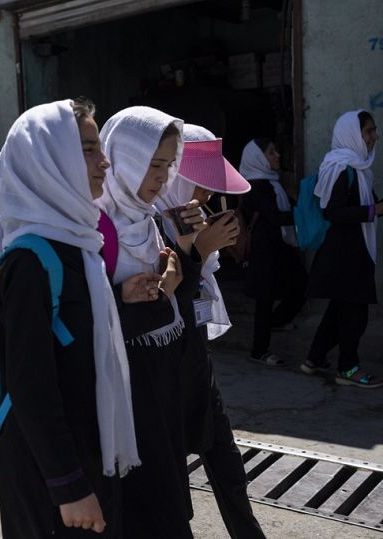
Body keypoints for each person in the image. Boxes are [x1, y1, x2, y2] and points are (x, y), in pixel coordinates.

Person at [0, 99, 141, 537]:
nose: (104, 161)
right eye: (88, 149)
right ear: (49, 161)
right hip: (49, 473)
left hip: (83, 450)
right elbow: (30, 385)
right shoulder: (30, 259)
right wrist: (67, 485)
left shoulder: (79, 242)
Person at [98, 106, 204, 539]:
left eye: (168, 165)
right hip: (126, 391)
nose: (163, 177)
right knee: (144, 508)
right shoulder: (96, 227)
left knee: (167, 495)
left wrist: (180, 269)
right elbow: (89, 322)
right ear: (123, 160)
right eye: (153, 164)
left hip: (162, 382)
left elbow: (168, 298)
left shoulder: (148, 218)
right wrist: (145, 298)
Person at [160, 125, 267, 538]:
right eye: (200, 184)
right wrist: (198, 248)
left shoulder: (190, 216)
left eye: (209, 188)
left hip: (198, 368)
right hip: (164, 375)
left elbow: (200, 294)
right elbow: (159, 306)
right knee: (174, 491)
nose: (204, 196)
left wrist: (210, 246)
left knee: (227, 465)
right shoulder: (146, 224)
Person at [304, 110, 383, 388]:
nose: (374, 137)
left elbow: (369, 207)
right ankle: (348, 369)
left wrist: (375, 208)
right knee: (354, 313)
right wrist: (373, 210)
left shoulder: (358, 169)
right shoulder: (342, 168)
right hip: (345, 253)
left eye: (374, 131)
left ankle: (314, 358)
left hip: (351, 250)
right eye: (369, 131)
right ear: (352, 134)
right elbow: (333, 212)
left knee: (341, 309)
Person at [239, 139, 306, 367]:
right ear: (258, 158)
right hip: (264, 252)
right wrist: (306, 216)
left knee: (300, 285)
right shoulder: (255, 186)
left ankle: (278, 320)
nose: (277, 155)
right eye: (271, 152)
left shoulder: (272, 182)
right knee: (265, 300)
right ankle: (259, 351)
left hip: (280, 248)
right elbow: (276, 217)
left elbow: (289, 208)